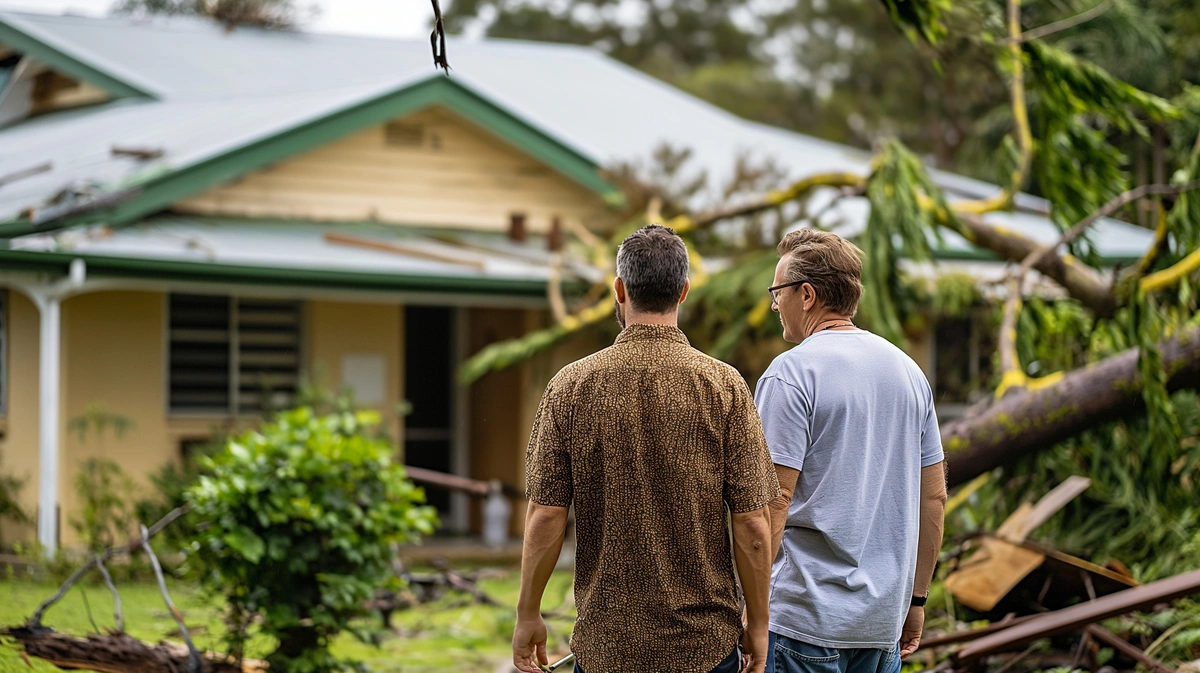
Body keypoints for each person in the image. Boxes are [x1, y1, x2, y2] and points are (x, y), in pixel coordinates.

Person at [512, 225, 779, 673]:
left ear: (619, 289)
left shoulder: (570, 387)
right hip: (705, 648)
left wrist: (527, 614)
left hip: (606, 650)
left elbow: (546, 514)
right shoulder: (724, 386)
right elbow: (753, 521)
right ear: (684, 291)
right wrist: (759, 622)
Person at [754, 228, 948, 673]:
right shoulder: (908, 372)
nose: (772, 304)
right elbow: (933, 497)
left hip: (803, 624)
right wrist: (916, 600)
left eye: (776, 291)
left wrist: (753, 612)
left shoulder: (792, 374)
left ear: (806, 295)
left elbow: (773, 504)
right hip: (881, 630)